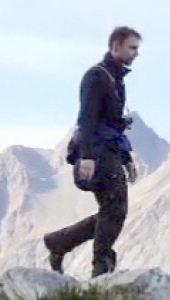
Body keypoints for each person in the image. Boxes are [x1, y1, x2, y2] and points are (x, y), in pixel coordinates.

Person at [43, 27, 141, 278]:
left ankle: (59, 243)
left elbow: (114, 125)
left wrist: (127, 159)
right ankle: (101, 266)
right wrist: (86, 157)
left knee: (112, 210)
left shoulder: (115, 79)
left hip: (110, 150)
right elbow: (87, 118)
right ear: (116, 46)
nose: (136, 53)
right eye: (132, 47)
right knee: (115, 208)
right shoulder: (96, 77)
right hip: (98, 152)